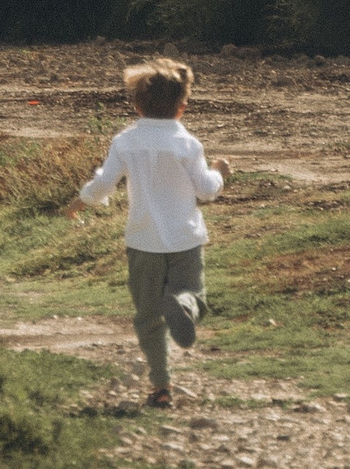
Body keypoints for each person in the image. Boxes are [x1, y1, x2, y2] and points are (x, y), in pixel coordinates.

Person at [70, 57, 232, 409]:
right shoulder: (188, 144)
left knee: (148, 318)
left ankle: (161, 387)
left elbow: (103, 184)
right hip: (186, 239)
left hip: (143, 242)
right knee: (195, 294)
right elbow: (206, 190)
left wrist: (81, 200)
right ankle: (183, 305)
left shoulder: (125, 142)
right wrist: (220, 172)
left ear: (137, 105)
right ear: (182, 107)